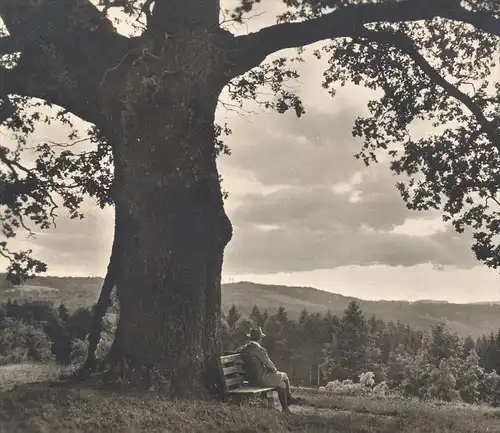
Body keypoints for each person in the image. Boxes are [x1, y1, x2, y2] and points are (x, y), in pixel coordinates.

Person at [236, 326, 301, 413]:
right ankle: (289, 399)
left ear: (250, 338)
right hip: (261, 380)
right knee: (284, 375)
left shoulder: (242, 349)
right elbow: (272, 367)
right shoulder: (260, 350)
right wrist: (274, 371)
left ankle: (285, 408)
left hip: (250, 380)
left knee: (282, 384)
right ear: (259, 339)